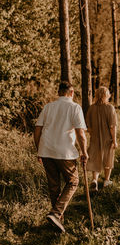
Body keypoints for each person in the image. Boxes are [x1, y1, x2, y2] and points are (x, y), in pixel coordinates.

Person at [34, 81, 88, 233]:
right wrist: (84, 152)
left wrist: (39, 150)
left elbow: (37, 130)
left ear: (59, 92)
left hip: (46, 150)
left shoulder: (48, 107)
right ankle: (56, 214)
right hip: (64, 152)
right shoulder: (74, 107)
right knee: (73, 181)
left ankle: (56, 219)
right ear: (71, 93)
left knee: (54, 186)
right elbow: (80, 133)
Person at [86, 86, 117, 192]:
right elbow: (112, 126)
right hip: (107, 139)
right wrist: (115, 140)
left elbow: (88, 127)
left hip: (95, 138)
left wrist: (93, 134)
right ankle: (106, 181)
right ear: (106, 95)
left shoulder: (91, 108)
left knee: (95, 159)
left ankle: (94, 180)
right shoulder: (110, 108)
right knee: (108, 159)